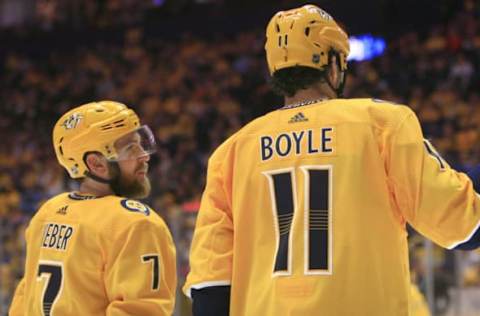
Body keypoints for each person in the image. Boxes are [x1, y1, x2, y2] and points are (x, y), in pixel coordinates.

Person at [183, 4, 480, 316]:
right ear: (334, 64)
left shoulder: (231, 151)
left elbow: (210, 289)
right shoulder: (383, 123)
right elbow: (464, 224)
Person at [9, 101, 176, 315]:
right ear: (96, 164)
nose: (144, 156)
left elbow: (26, 295)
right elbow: (140, 310)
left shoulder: (48, 211)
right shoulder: (135, 223)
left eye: (141, 144)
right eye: (130, 149)